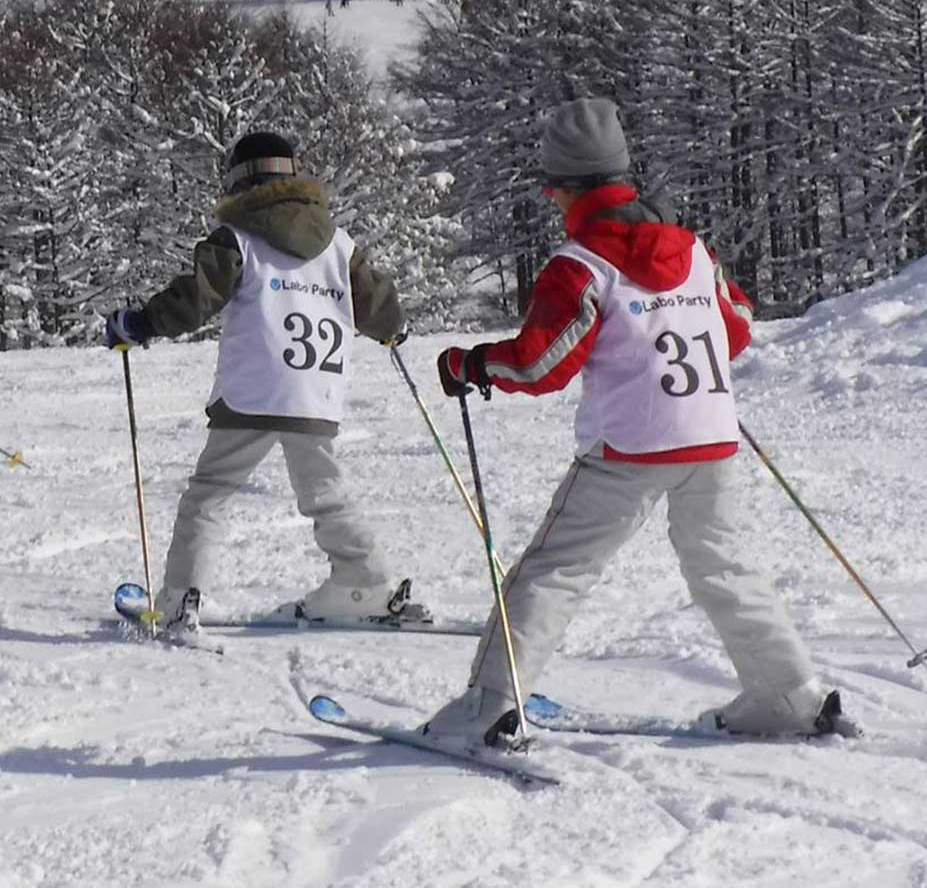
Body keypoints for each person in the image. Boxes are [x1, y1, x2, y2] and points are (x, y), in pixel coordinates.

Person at [421, 98, 837, 748]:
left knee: (551, 571)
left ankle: (490, 705)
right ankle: (789, 692)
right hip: (711, 437)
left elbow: (540, 364)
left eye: (551, 187)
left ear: (562, 185)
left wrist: (471, 363)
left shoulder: (581, 262)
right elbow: (739, 326)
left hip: (630, 446)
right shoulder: (692, 246)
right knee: (722, 564)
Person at [102, 132, 425, 644]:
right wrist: (392, 328)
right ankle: (363, 582)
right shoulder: (339, 245)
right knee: (325, 491)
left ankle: (181, 597)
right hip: (314, 390)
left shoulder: (238, 238)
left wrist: (138, 323)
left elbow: (195, 300)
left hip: (253, 390)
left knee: (209, 495)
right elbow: (378, 303)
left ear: (238, 183)